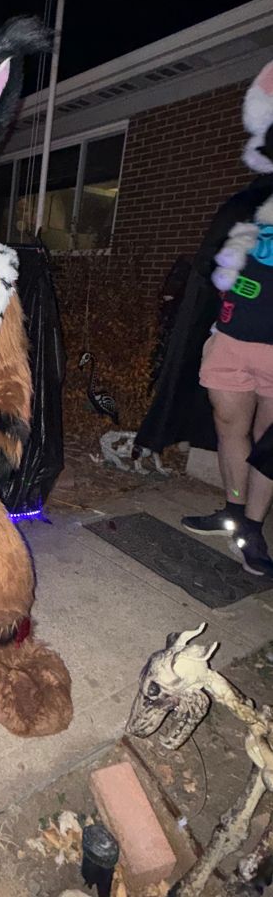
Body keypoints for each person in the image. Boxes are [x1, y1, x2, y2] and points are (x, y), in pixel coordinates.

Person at [181, 62, 273, 577]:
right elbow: (212, 266)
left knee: (269, 441)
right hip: (234, 336)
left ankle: (254, 526)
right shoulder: (247, 200)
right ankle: (235, 510)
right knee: (229, 427)